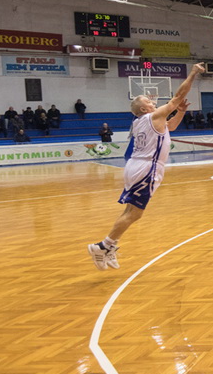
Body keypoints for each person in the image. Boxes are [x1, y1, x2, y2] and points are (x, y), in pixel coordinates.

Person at [85, 62, 205, 271]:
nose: (153, 102)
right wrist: (193, 73)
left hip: (137, 166)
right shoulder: (152, 116)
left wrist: (181, 112)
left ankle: (108, 246)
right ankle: (102, 246)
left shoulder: (140, 122)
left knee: (131, 210)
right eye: (149, 101)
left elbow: (171, 127)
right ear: (144, 109)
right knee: (136, 213)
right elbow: (177, 97)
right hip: (147, 168)